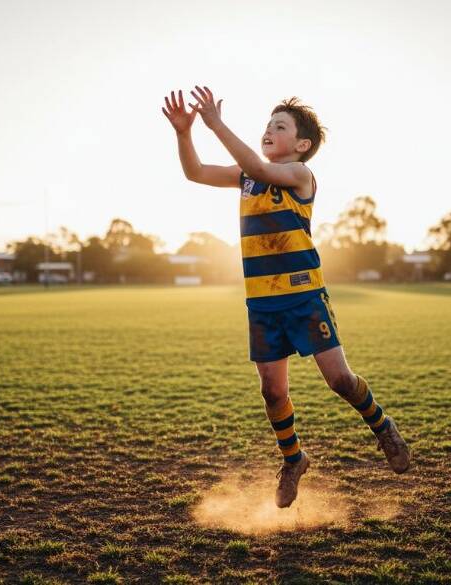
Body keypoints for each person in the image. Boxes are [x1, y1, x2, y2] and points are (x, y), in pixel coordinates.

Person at [162, 86, 411, 508]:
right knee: (272, 393)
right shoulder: (245, 176)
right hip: (262, 303)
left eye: (279, 126)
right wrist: (185, 133)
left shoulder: (299, 176)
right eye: (267, 125)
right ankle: (294, 460)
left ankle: (382, 425)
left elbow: (258, 166)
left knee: (340, 381)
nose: (268, 130)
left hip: (303, 296)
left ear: (301, 145)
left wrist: (217, 125)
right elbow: (196, 173)